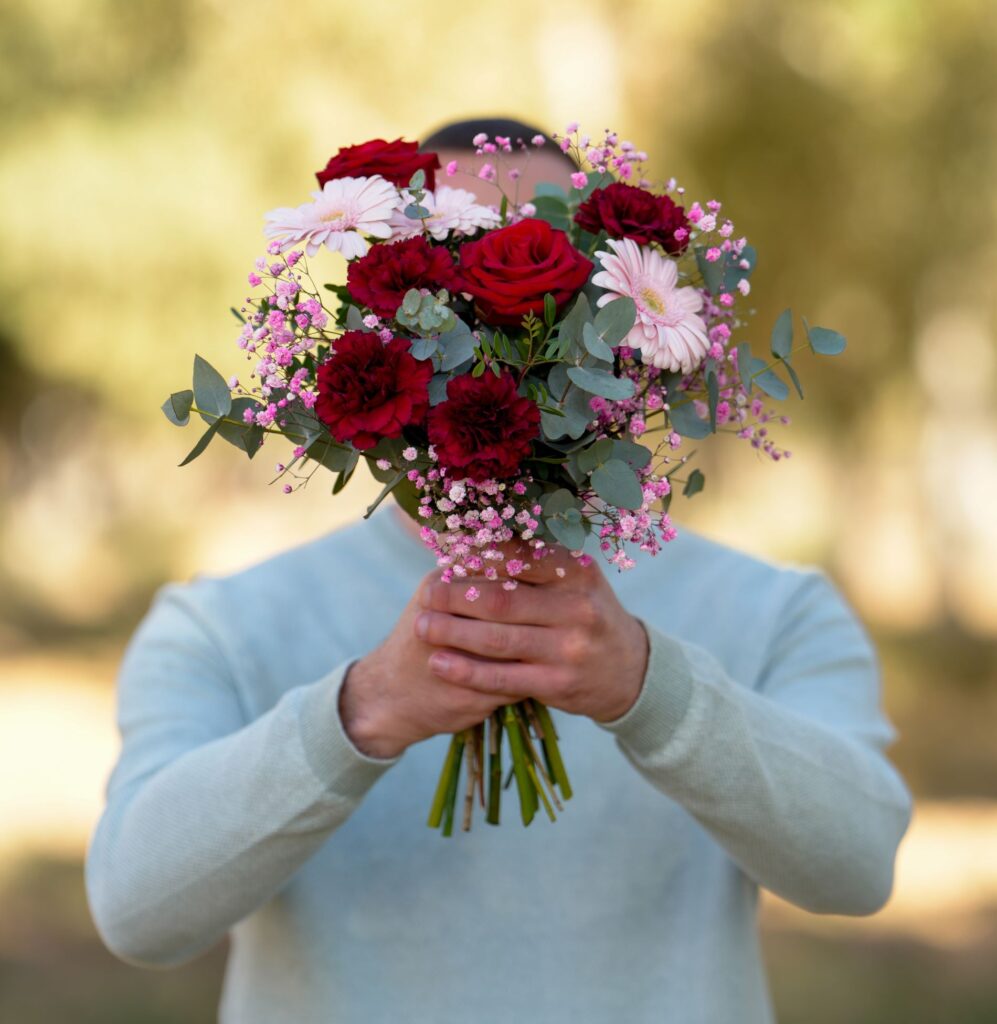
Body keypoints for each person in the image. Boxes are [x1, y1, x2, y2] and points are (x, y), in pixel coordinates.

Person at [86, 116, 912, 1024]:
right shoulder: (224, 626)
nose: (490, 312)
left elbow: (858, 868)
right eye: (452, 255)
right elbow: (137, 916)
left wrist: (649, 688)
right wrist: (363, 712)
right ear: (375, 309)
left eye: (544, 261)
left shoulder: (773, 610)